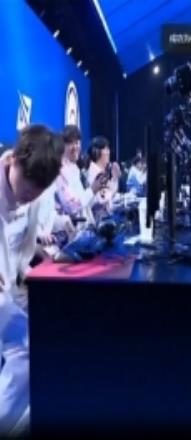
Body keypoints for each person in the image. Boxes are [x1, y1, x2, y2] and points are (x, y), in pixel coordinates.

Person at [0, 125, 64, 433]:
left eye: (37, 191)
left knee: (27, 347)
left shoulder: (35, 194)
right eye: (27, 187)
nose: (29, 197)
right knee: (25, 344)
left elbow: (21, 245)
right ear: (13, 159)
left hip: (8, 289)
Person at [55, 125, 106, 224]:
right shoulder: (59, 171)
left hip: (86, 226)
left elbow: (85, 202)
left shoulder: (75, 168)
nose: (75, 147)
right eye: (70, 143)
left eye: (77, 142)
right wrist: (92, 190)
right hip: (70, 230)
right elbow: (72, 207)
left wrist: (96, 190)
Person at [86, 136, 121, 220]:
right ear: (97, 152)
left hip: (107, 216)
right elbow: (103, 199)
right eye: (106, 149)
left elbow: (109, 194)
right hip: (101, 220)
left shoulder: (101, 171)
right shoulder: (95, 173)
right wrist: (115, 179)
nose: (109, 152)